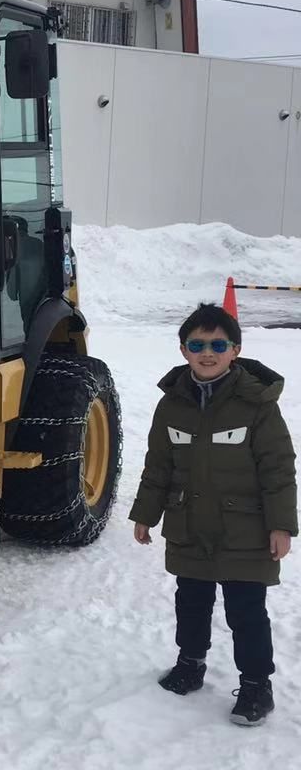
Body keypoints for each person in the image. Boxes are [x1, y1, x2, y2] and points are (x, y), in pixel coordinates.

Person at [130, 302, 297, 726]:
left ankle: (257, 685)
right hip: (189, 524)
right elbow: (159, 466)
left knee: (245, 609)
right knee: (191, 601)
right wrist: (145, 514)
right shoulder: (171, 406)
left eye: (218, 344)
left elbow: (278, 469)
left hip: (245, 529)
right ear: (183, 349)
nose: (208, 352)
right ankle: (191, 663)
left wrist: (281, 525)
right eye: (198, 344)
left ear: (235, 350)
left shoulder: (257, 405)